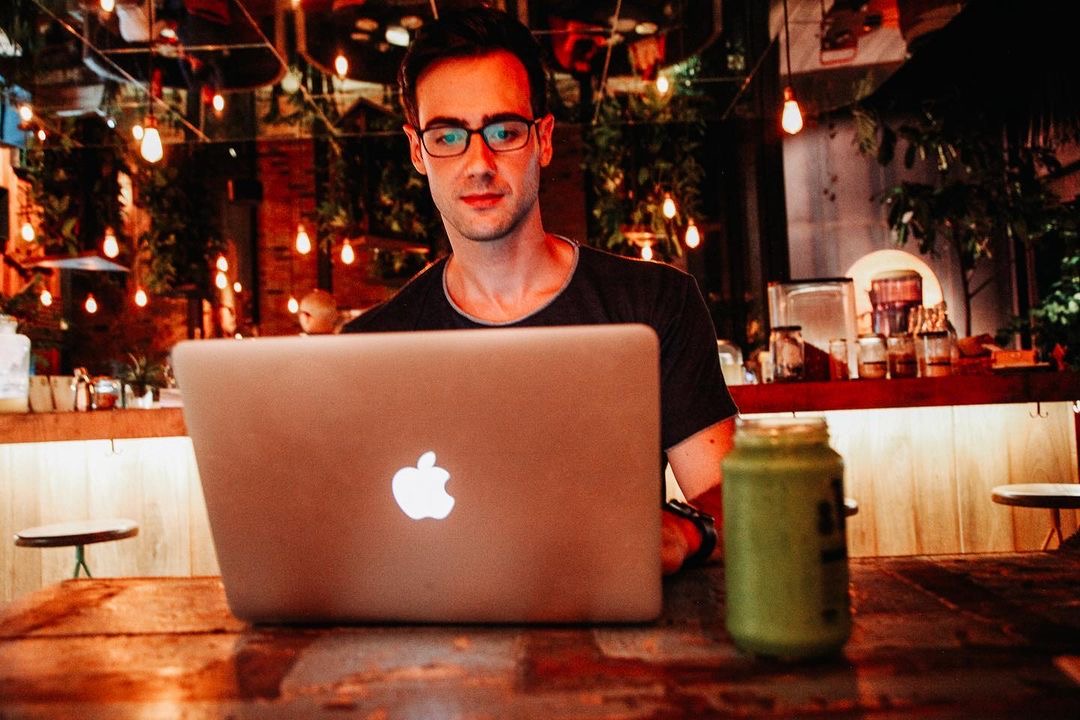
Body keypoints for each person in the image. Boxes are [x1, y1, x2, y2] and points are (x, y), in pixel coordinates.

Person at [343, 7, 737, 574]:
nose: (478, 163)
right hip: (430, 641)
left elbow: (735, 500)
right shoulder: (368, 346)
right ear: (417, 151)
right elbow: (350, 538)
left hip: (618, 639)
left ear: (543, 140)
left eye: (503, 131)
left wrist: (681, 533)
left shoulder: (655, 305)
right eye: (448, 136)